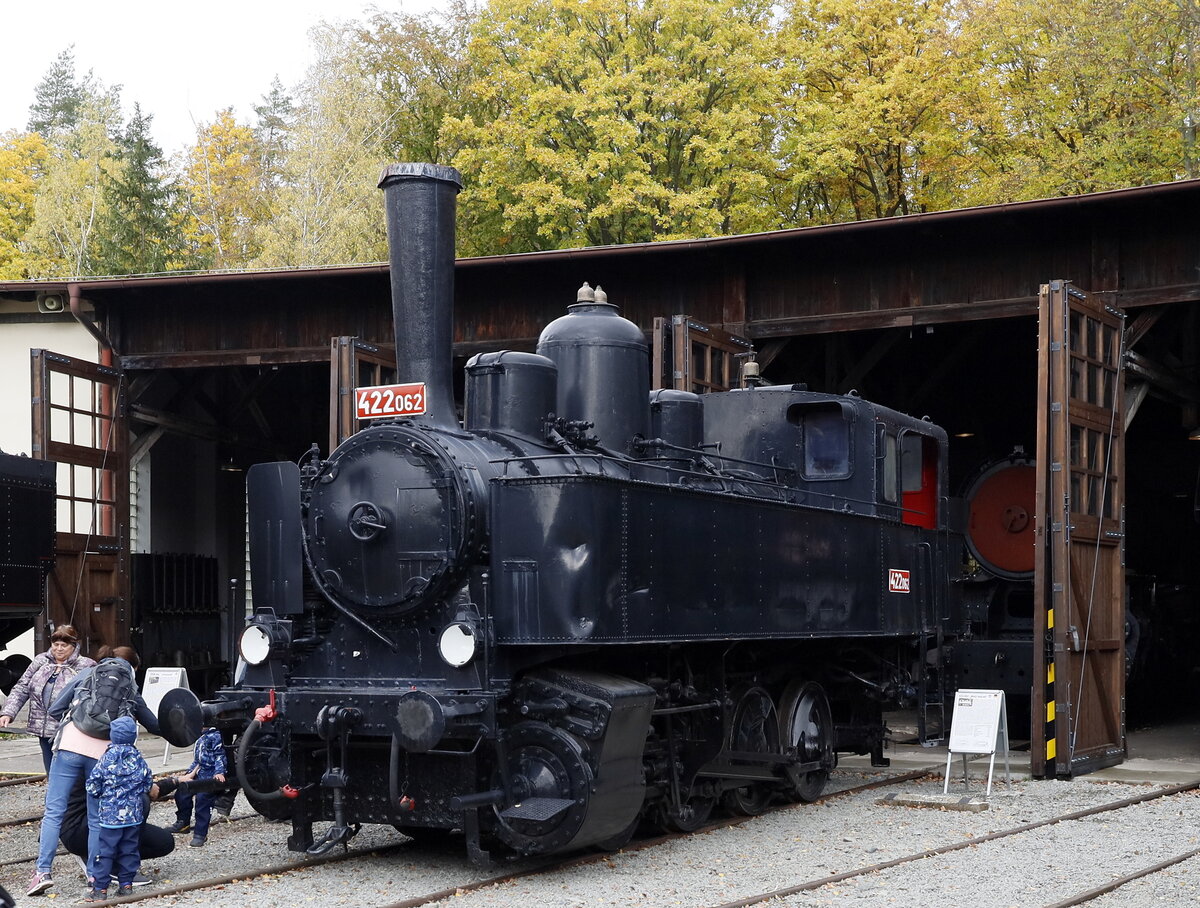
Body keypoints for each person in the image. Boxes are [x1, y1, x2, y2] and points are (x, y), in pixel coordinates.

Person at [27, 645, 160, 898]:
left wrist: (76, 720)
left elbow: (55, 708)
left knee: (54, 811)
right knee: (96, 816)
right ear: (133, 668)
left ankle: (42, 872)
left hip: (69, 748)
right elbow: (151, 723)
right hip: (102, 754)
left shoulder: (89, 672)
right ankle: (93, 874)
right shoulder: (130, 684)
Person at [0, 625, 95, 771]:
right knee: (50, 769)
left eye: (64, 645)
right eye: (55, 644)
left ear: (74, 646)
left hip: (69, 729)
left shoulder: (86, 665)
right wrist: (8, 712)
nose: (59, 649)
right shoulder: (41, 661)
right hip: (43, 728)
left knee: (67, 771)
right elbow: (22, 687)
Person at [83, 716, 153, 901]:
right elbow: (147, 782)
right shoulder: (138, 758)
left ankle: (100, 888)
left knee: (106, 851)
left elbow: (92, 784)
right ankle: (126, 884)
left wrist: (100, 795)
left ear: (112, 736)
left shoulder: (106, 758)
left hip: (110, 816)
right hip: (133, 814)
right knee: (129, 849)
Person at [60, 774, 171, 887]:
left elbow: (148, 787)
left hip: (102, 818)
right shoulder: (101, 760)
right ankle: (113, 866)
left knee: (164, 842)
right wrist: (147, 785)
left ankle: (95, 855)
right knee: (139, 800)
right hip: (77, 827)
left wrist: (175, 782)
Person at [168, 724, 226, 847]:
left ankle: (200, 834)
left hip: (210, 775)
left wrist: (219, 772)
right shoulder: (201, 737)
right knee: (182, 792)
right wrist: (189, 773)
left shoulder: (215, 736)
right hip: (199, 772)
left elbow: (220, 756)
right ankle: (183, 822)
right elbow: (197, 760)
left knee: (203, 800)